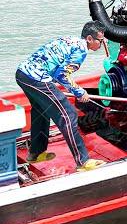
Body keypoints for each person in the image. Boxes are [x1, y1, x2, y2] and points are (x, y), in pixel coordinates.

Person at [15, 21, 108, 172]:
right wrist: (79, 92)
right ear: (90, 39)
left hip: (22, 74)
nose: (102, 43)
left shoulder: (70, 40)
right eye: (101, 40)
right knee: (68, 115)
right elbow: (62, 75)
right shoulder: (81, 50)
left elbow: (55, 67)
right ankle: (83, 162)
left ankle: (36, 153)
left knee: (41, 110)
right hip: (37, 78)